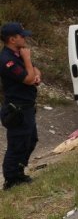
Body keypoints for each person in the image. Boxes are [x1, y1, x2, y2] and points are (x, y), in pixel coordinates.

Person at [1, 23, 41, 190]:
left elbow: (35, 72)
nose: (25, 38)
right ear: (12, 39)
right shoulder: (7, 60)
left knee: (30, 140)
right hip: (17, 108)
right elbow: (28, 79)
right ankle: (11, 179)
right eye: (22, 36)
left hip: (27, 106)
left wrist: (35, 74)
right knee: (17, 143)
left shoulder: (17, 55)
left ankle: (19, 171)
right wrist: (27, 61)